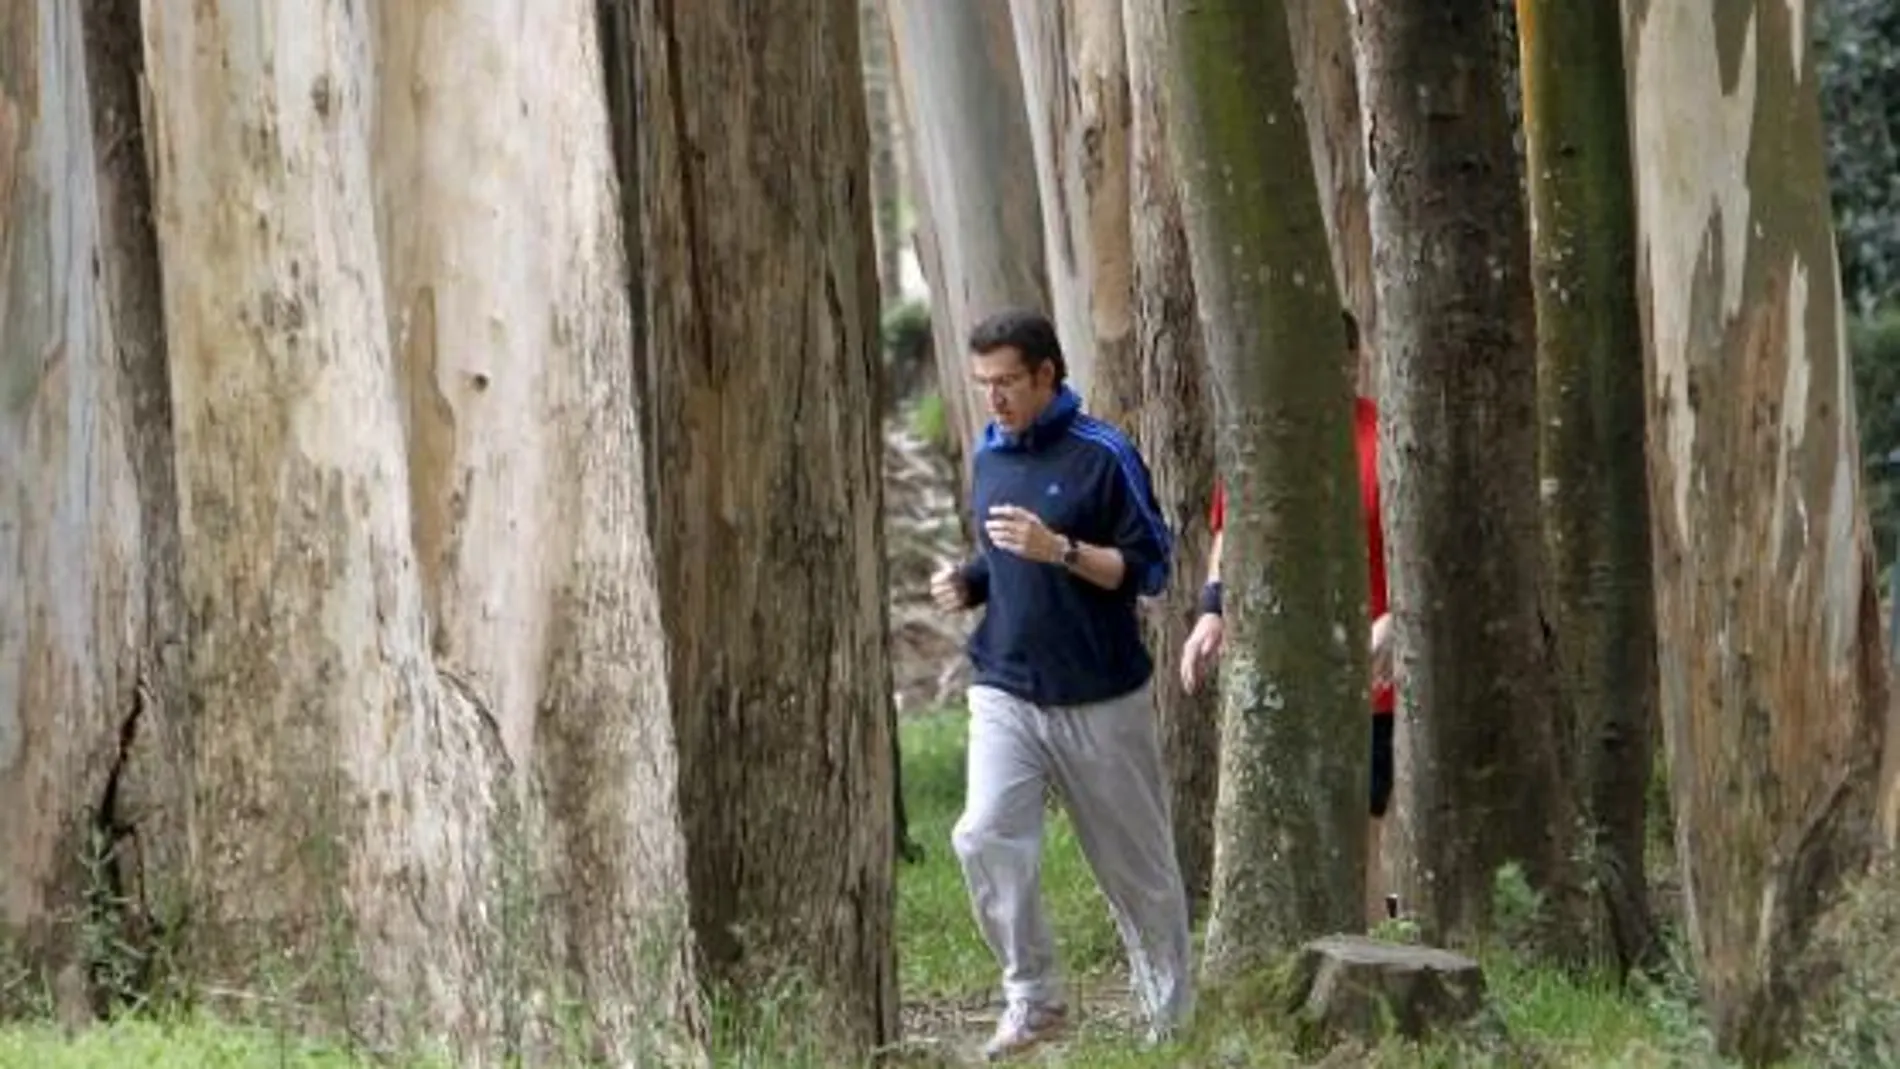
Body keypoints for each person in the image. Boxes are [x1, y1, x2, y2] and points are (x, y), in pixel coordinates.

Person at [931, 309, 1192, 1060]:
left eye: (1007, 381)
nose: (994, 399)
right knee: (982, 832)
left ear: (1048, 374)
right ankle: (1035, 994)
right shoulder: (990, 451)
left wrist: (1062, 548)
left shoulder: (1103, 454)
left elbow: (1148, 568)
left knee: (1137, 870)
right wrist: (971, 580)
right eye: (983, 384)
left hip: (1101, 695)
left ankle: (1169, 1023)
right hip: (1006, 685)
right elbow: (1004, 555)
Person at [1178, 309, 1398, 927]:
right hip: (1278, 667)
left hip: (1371, 673)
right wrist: (1212, 613)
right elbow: (1232, 534)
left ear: (1354, 362)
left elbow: (1426, 548)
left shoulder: (1384, 439)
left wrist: (1396, 618)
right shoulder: (1263, 440)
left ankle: (1373, 955)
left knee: (1361, 819)